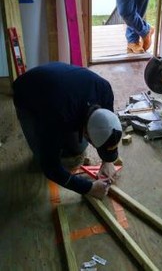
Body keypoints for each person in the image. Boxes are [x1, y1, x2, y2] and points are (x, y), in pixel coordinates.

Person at [12, 62, 122, 200]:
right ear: (87, 134)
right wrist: (89, 188)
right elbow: (51, 168)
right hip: (27, 94)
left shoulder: (104, 90)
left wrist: (108, 161)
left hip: (63, 87)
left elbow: (108, 129)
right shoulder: (55, 114)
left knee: (76, 149)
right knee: (42, 156)